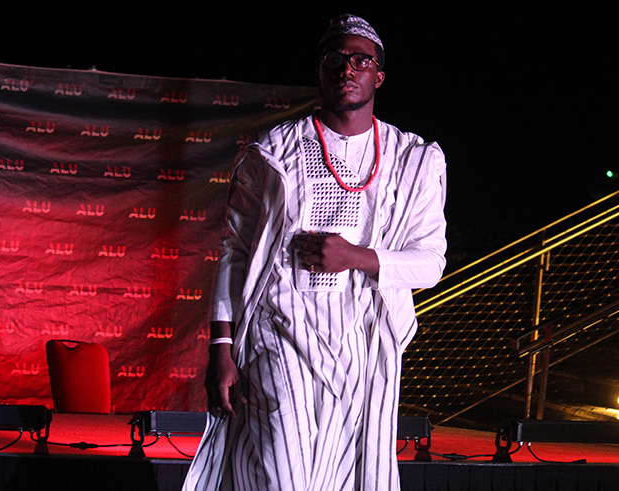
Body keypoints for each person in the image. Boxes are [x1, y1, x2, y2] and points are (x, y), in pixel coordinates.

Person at [182, 14, 447, 491]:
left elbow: (430, 264)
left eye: (360, 60)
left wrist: (356, 257)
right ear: (320, 71)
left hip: (365, 344)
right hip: (280, 329)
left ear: (378, 76)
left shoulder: (414, 160)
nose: (347, 69)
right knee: (282, 475)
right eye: (335, 59)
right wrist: (221, 350)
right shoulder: (273, 153)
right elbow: (234, 254)